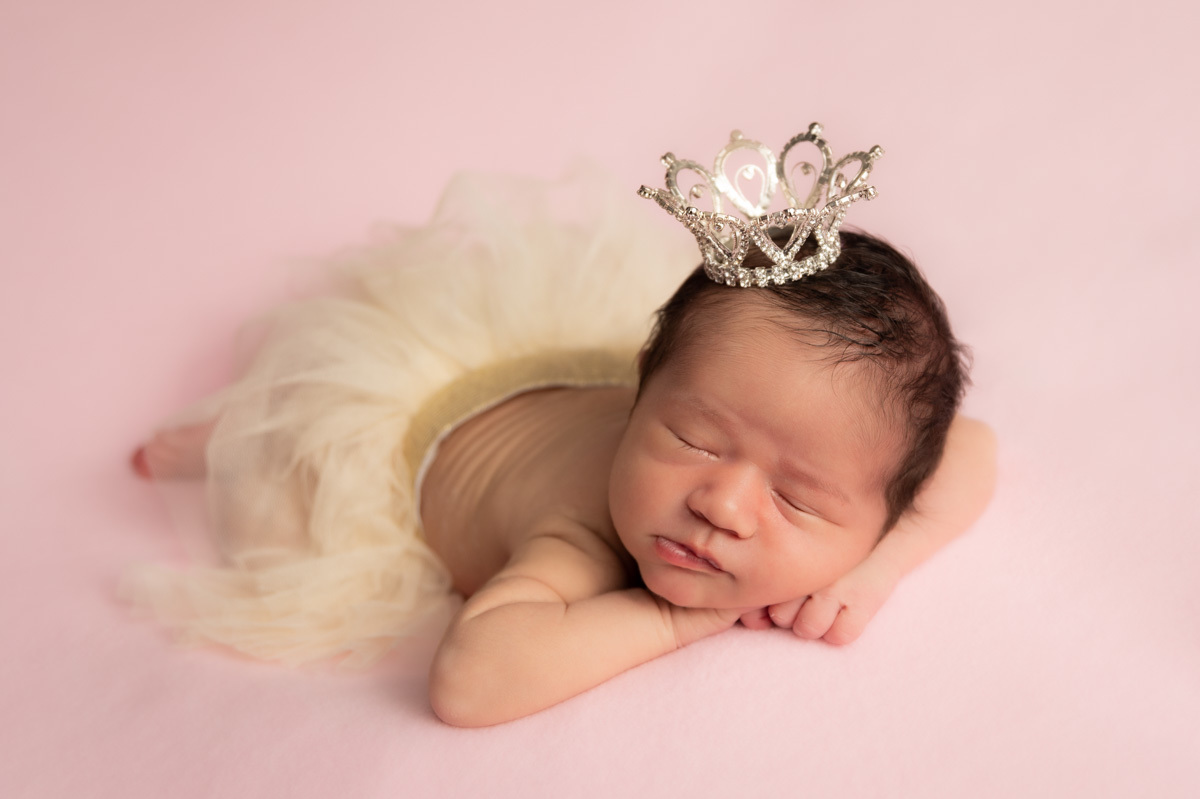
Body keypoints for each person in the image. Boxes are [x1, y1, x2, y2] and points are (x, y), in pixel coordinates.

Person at [127, 128, 996, 727]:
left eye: (799, 497)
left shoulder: (853, 459)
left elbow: (973, 447)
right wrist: (672, 619)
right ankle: (240, 429)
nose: (722, 503)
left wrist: (878, 568)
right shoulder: (581, 541)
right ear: (641, 393)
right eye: (692, 438)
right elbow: (467, 684)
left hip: (545, 388)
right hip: (404, 441)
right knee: (294, 444)